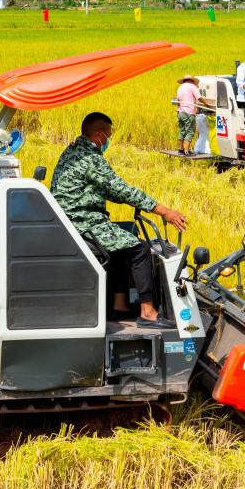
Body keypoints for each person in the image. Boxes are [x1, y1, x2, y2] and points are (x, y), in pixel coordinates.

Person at [51, 112, 187, 329]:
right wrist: (164, 211)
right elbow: (120, 189)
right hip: (83, 222)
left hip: (71, 221)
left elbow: (107, 190)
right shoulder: (90, 158)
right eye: (108, 136)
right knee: (139, 248)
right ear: (98, 135)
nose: (108, 141)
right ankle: (149, 313)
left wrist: (132, 201)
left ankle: (120, 307)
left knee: (120, 247)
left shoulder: (72, 151)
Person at [174, 75, 200, 156]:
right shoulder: (192, 86)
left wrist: (177, 112)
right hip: (188, 112)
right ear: (191, 81)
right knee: (190, 131)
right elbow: (199, 97)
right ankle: (186, 151)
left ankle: (180, 149)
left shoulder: (180, 88)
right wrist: (207, 104)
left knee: (182, 131)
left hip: (180, 112)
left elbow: (178, 101)